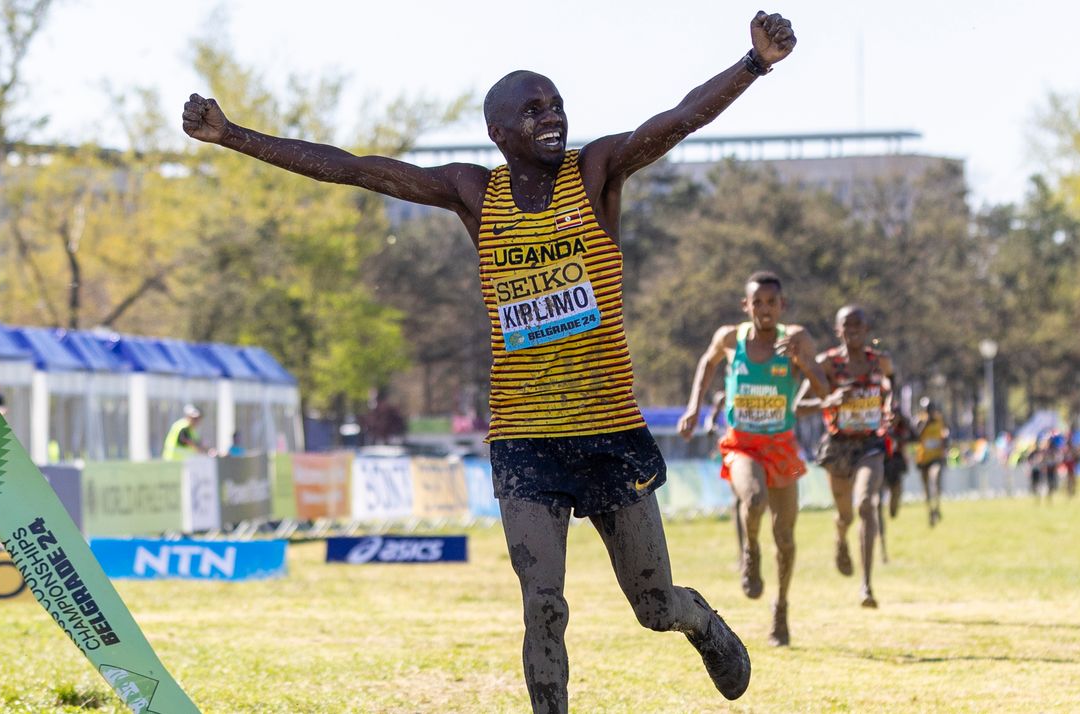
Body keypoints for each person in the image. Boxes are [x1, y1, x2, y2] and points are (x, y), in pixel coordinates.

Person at [182, 12, 795, 710]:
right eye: (532, 109)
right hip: (526, 440)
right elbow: (356, 170)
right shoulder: (476, 193)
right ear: (499, 132)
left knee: (653, 605)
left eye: (557, 103)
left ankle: (703, 622)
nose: (552, 116)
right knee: (544, 605)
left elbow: (679, 119)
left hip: (608, 436)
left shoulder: (595, 172)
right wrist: (232, 136)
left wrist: (754, 63)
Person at [677, 271, 824, 647]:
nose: (764, 309)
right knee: (753, 498)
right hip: (742, 444)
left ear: (782, 306)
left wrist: (804, 362)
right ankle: (750, 550)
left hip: (783, 447)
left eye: (771, 302)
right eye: (756, 302)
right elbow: (706, 364)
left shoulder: (797, 339)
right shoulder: (731, 339)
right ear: (747, 306)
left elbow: (825, 388)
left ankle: (781, 609)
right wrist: (694, 408)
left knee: (787, 538)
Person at [810, 305, 895, 609]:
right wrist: (831, 399)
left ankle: (866, 585)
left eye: (859, 324)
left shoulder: (880, 361)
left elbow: (893, 387)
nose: (853, 329)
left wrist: (891, 407)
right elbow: (803, 402)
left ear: (867, 327)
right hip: (838, 445)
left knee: (866, 504)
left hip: (870, 444)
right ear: (838, 329)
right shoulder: (828, 363)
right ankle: (840, 537)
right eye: (847, 324)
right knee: (846, 514)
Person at [912, 398, 949, 525]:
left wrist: (945, 443)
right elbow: (915, 436)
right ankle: (930, 512)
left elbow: (945, 434)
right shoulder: (919, 420)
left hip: (936, 457)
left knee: (936, 477)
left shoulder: (940, 419)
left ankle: (937, 506)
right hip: (923, 458)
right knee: (926, 487)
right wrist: (925, 423)